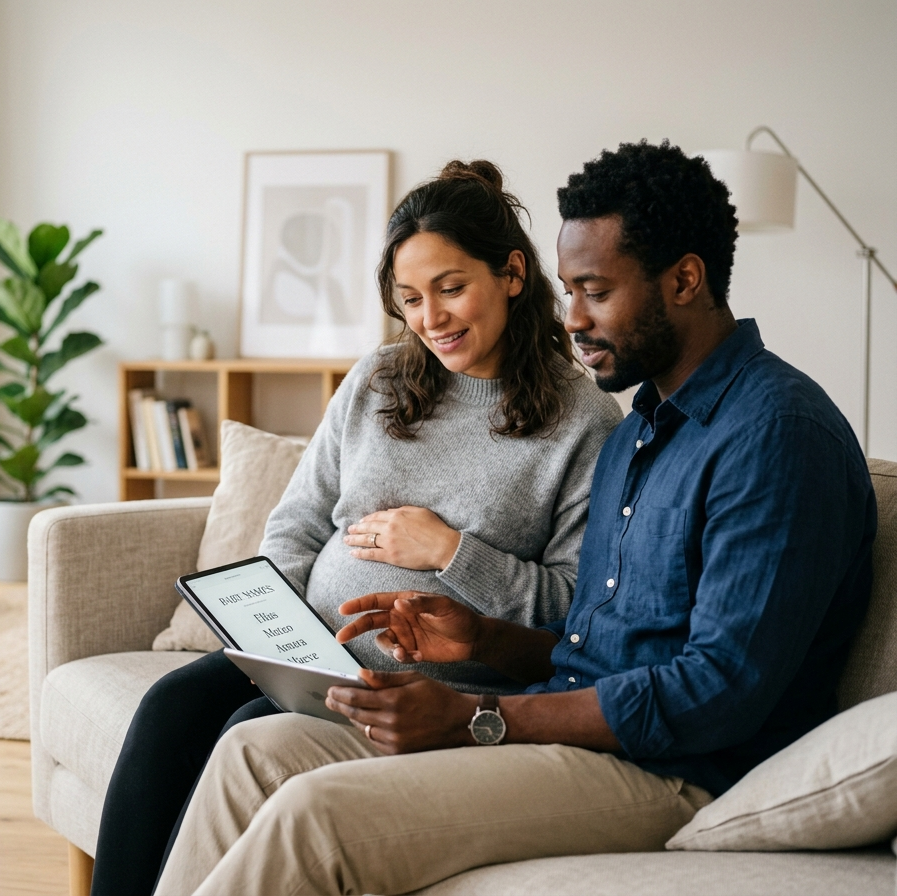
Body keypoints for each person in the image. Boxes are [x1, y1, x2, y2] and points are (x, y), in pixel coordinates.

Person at [153, 141, 877, 896]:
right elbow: (594, 643)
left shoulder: (777, 435)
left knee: (314, 811)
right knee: (251, 755)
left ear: (685, 279)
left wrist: (476, 715)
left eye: (595, 292)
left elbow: (717, 692)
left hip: (669, 773)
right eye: (569, 292)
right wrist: (481, 638)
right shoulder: (642, 432)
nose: (573, 320)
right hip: (568, 732)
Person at [89, 161, 624, 896]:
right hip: (306, 657)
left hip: (429, 681)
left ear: (511, 274)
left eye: (450, 288)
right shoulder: (377, 379)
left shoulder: (582, 421)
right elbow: (297, 523)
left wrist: (448, 551)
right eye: (409, 299)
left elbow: (568, 607)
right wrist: (272, 627)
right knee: (170, 707)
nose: (430, 318)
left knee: (243, 730)